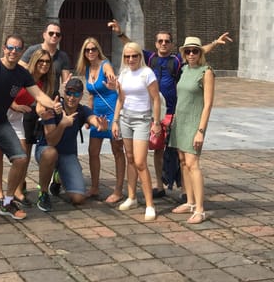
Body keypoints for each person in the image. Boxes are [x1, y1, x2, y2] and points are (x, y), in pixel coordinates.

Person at [107, 20, 231, 198]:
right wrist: (120, 33)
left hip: (173, 110)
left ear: (172, 44)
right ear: (156, 43)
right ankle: (160, 184)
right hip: (155, 111)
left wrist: (214, 44)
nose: (163, 44)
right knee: (157, 148)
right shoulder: (150, 58)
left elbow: (195, 51)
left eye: (167, 41)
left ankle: (184, 189)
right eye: (160, 41)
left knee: (177, 151)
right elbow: (131, 48)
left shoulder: (177, 60)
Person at [0, 34, 62, 221]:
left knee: (20, 158)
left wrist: (54, 105)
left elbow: (39, 95)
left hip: (1, 122)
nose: (13, 51)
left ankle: (8, 201)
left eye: (17, 49)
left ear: (22, 52)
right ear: (4, 48)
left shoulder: (22, 74)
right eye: (10, 47)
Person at [0, 47, 56, 208]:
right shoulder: (22, 75)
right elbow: (3, 93)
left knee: (22, 155)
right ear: (35, 61)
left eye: (47, 62)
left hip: (17, 119)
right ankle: (0, 193)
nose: (44, 64)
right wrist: (15, 105)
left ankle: (16, 192)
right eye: (41, 61)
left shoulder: (46, 83)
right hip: (1, 113)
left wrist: (48, 109)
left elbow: (40, 102)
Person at [35, 76, 107, 212]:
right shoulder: (53, 109)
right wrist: (62, 124)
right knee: (51, 153)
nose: (71, 98)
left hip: (67, 155)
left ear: (81, 96)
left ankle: (58, 178)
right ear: (64, 93)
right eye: (69, 93)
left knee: (78, 199)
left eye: (76, 94)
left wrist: (100, 125)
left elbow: (92, 119)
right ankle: (43, 193)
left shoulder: (82, 110)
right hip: (46, 152)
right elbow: (51, 141)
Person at [111, 42, 160, 222]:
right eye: (127, 56)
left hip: (142, 119)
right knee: (130, 158)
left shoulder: (147, 73)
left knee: (140, 162)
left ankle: (149, 204)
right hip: (125, 118)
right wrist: (115, 120)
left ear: (140, 56)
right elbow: (120, 99)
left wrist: (156, 122)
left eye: (134, 56)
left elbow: (155, 99)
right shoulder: (123, 74)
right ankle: (132, 197)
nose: (131, 59)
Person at [169, 37, 216, 224]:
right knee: (182, 161)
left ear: (200, 53)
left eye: (195, 51)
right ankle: (189, 201)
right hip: (180, 121)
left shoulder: (206, 72)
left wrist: (201, 131)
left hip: (194, 123)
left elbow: (208, 104)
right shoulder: (184, 69)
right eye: (187, 51)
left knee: (193, 163)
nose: (191, 54)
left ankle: (200, 208)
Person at [76, 37, 124, 203]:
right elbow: (91, 94)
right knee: (93, 151)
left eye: (93, 49)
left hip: (112, 112)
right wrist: (89, 116)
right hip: (97, 114)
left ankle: (118, 191)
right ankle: (95, 187)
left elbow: (115, 83)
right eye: (87, 50)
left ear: (98, 50)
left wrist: (113, 82)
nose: (90, 52)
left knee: (117, 150)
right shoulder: (89, 69)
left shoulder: (105, 65)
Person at [19, 22, 73, 88]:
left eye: (58, 34)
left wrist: (68, 85)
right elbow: (20, 68)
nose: (54, 36)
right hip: (32, 93)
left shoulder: (63, 56)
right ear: (44, 35)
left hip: (52, 96)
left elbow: (65, 81)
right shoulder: (32, 50)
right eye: (51, 33)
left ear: (60, 38)